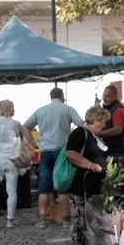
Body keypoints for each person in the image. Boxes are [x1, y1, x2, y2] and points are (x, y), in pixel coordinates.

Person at [24, 88, 83, 227]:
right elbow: (82, 125)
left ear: (50, 96)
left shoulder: (41, 110)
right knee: (63, 186)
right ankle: (66, 220)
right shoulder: (68, 109)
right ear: (62, 96)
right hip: (62, 153)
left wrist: (33, 144)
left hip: (45, 152)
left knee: (44, 186)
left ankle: (43, 219)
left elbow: (25, 126)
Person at [64, 105, 110, 245]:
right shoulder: (80, 132)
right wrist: (91, 165)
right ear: (96, 120)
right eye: (103, 121)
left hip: (93, 186)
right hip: (81, 185)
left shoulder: (94, 135)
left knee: (90, 220)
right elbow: (70, 153)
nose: (105, 125)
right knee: (80, 220)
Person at [0, 99, 28, 228]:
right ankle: (9, 220)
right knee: (11, 191)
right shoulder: (16, 123)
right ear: (12, 109)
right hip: (11, 159)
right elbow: (21, 140)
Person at [98, 85, 124, 165]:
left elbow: (118, 130)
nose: (105, 98)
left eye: (108, 96)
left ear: (115, 96)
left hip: (119, 152)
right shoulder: (107, 109)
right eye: (104, 96)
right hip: (111, 150)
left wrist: (99, 133)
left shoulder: (118, 110)